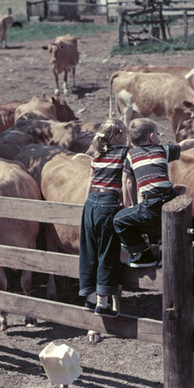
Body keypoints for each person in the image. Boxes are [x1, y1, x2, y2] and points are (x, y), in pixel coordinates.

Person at [114, 117, 194, 268]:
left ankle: (144, 254)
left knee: (119, 220)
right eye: (157, 133)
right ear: (151, 137)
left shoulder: (131, 155)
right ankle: (164, 248)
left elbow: (129, 181)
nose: (159, 136)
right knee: (167, 210)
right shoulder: (162, 150)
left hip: (151, 204)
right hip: (170, 198)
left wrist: (133, 205)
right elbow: (183, 145)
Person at [78, 118, 129, 317]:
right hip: (109, 203)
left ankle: (89, 298)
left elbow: (90, 181)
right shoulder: (125, 154)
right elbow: (125, 182)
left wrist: (86, 206)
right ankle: (103, 302)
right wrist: (125, 206)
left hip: (90, 204)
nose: (126, 138)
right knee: (108, 252)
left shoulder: (97, 154)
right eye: (124, 134)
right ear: (117, 136)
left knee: (89, 251)